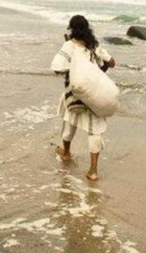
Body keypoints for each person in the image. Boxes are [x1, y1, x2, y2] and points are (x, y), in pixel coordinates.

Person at [50, 15, 116, 181]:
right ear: (87, 28)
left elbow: (57, 67)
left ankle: (66, 153)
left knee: (69, 122)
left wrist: (74, 69)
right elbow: (112, 63)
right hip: (95, 93)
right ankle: (93, 171)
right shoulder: (94, 45)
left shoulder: (69, 45)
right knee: (95, 131)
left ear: (71, 29)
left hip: (76, 93)